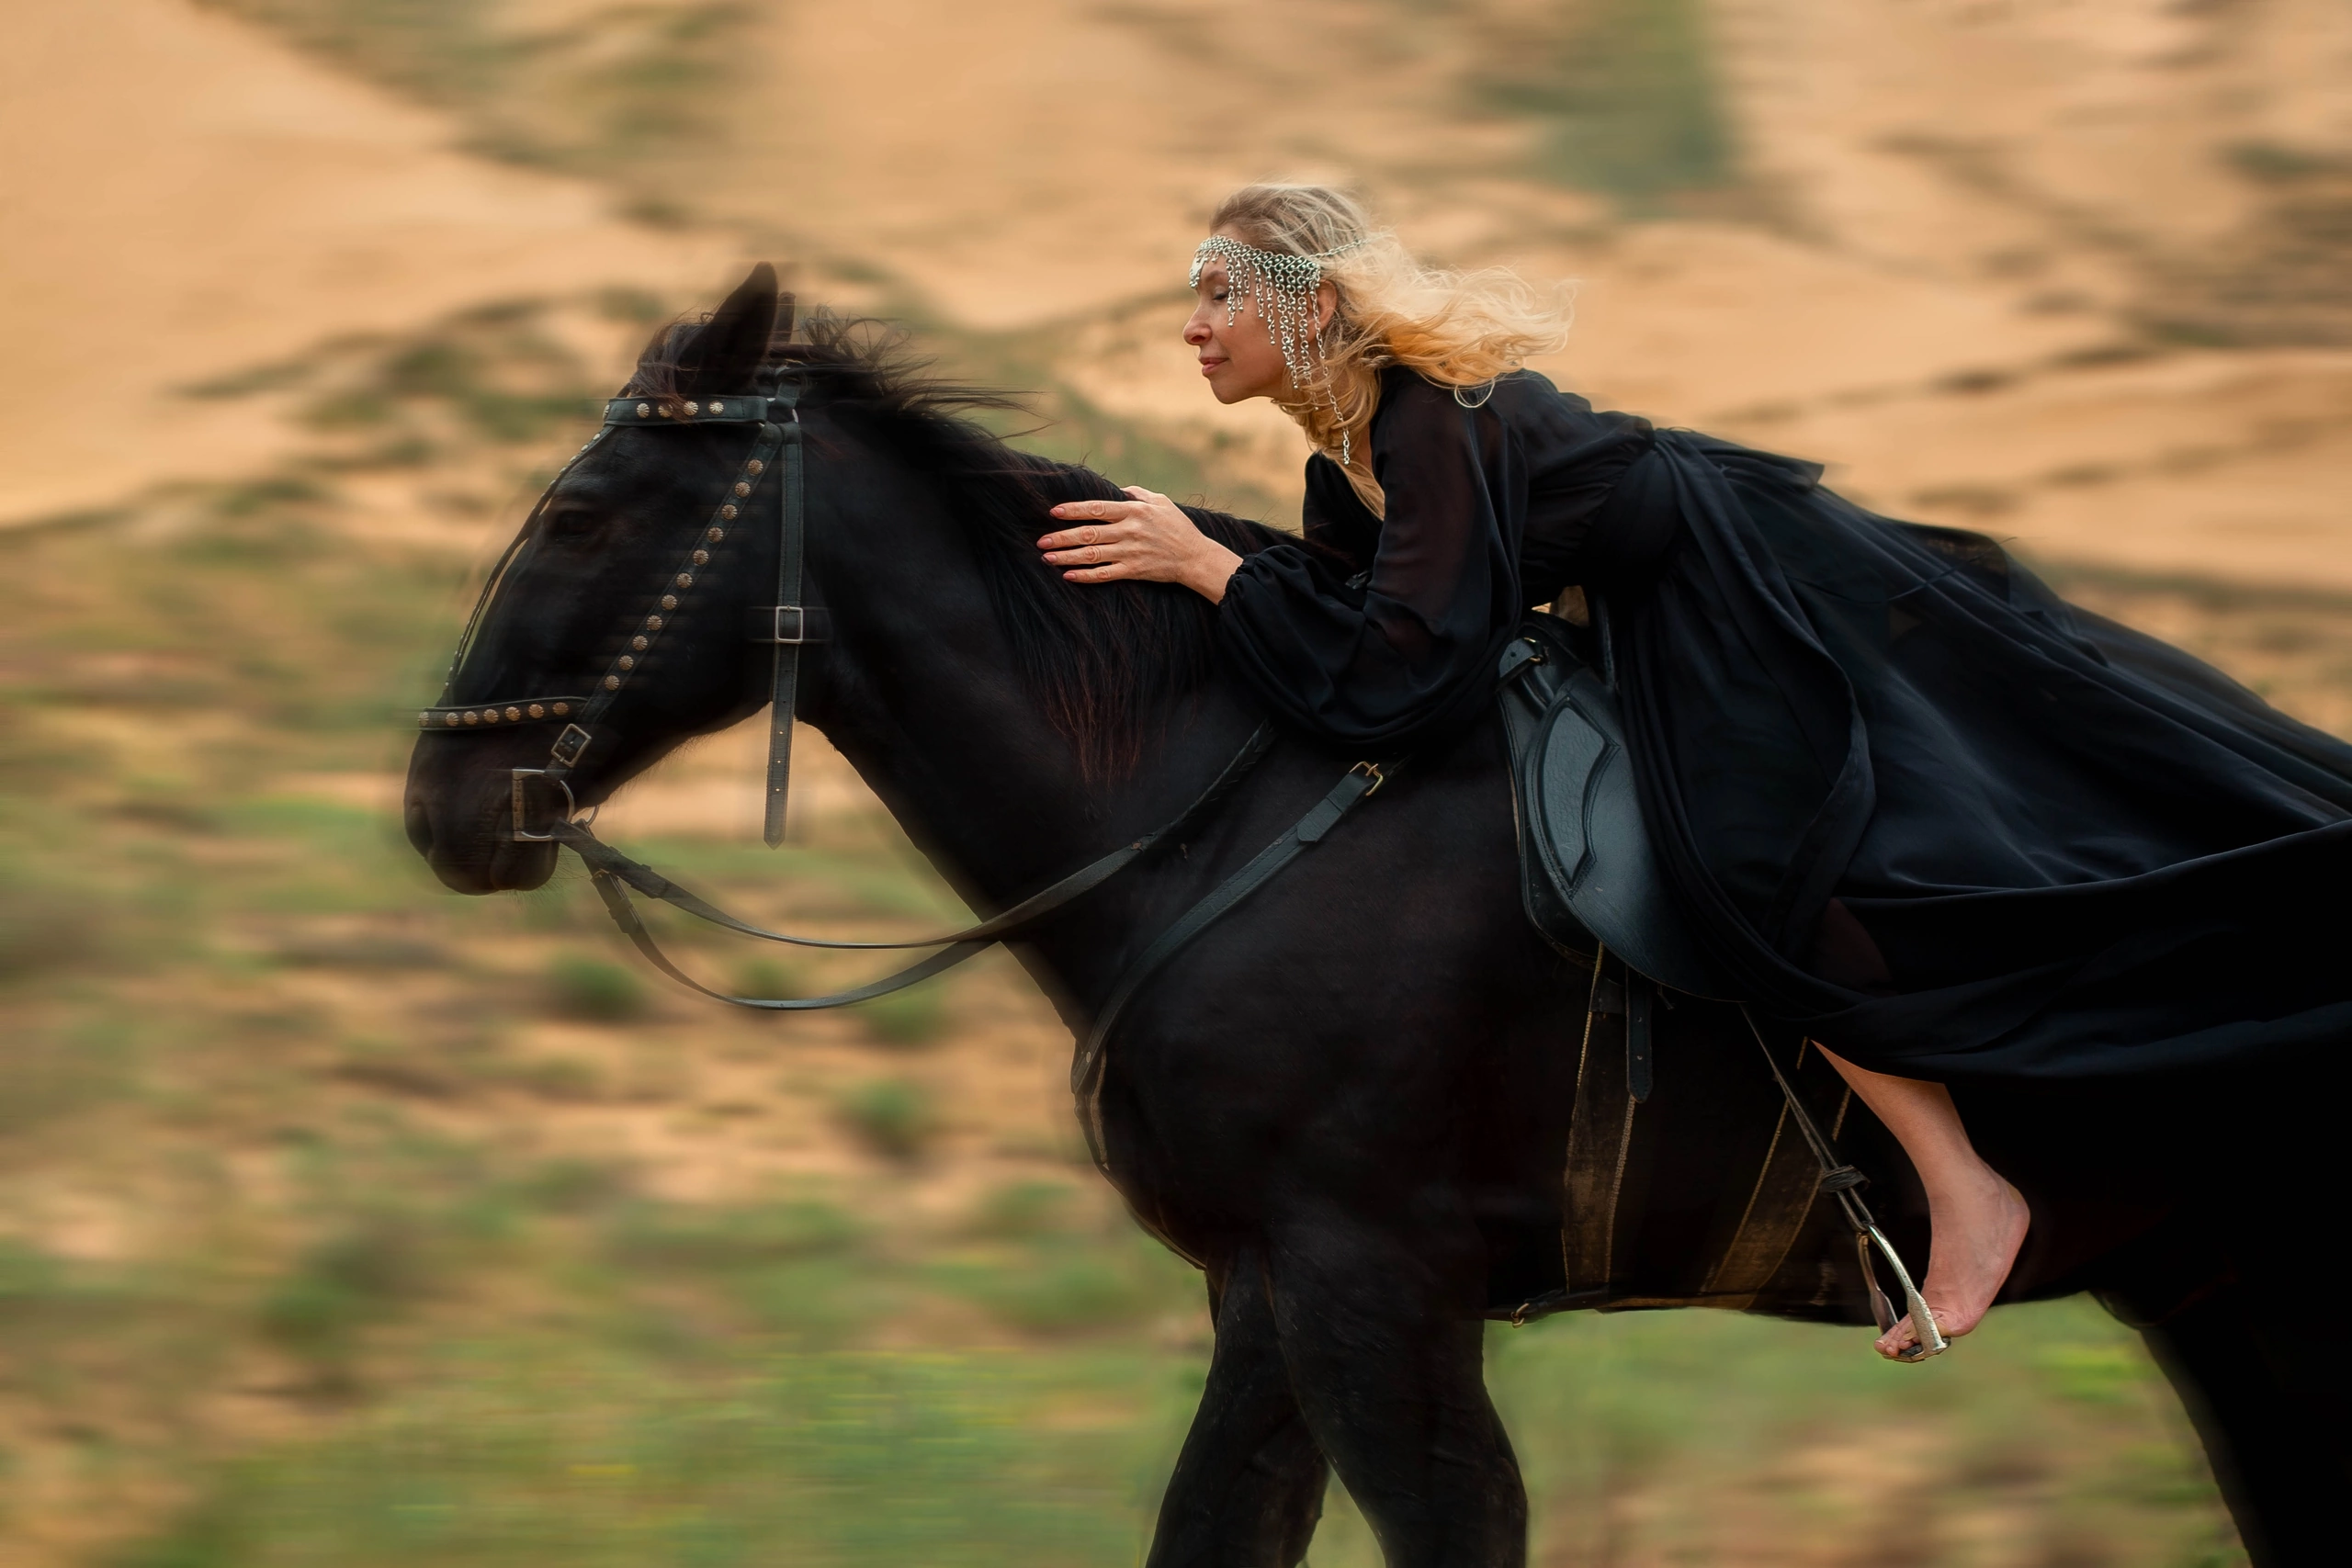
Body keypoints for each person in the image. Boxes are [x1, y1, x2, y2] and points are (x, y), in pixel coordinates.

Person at [1035, 183, 2352, 1360]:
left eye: (1220, 294)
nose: (1193, 326)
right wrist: (1213, 566)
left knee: (1751, 866)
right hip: (1648, 611)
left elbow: (1407, 665)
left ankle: (1969, 1190)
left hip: (1723, 593)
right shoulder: (1354, 447)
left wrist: (1212, 569)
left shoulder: (1430, 417)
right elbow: (1375, 625)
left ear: (1312, 305)